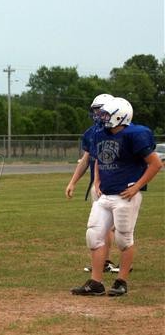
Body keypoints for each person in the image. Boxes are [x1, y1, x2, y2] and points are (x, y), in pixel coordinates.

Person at [71, 97, 161, 296]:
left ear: (120, 116)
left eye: (105, 115)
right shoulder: (100, 134)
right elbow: (98, 159)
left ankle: (121, 282)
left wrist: (137, 186)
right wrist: (97, 181)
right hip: (105, 195)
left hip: (124, 195)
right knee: (94, 236)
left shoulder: (134, 135)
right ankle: (96, 283)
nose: (101, 118)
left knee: (123, 240)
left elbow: (155, 164)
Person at [65, 94, 119, 273]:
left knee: (117, 227)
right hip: (98, 186)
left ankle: (115, 262)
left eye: (99, 110)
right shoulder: (91, 133)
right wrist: (73, 182)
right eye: (95, 111)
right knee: (101, 226)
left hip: (118, 185)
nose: (96, 114)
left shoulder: (122, 131)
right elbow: (87, 159)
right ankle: (103, 262)